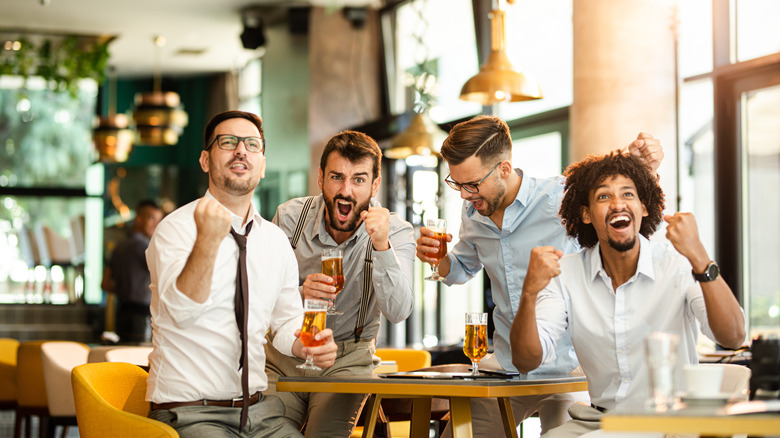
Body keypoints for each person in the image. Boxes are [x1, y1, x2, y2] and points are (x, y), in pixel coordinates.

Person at [415, 115, 664, 437]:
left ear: (504, 169)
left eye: (472, 184)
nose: (464, 195)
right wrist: (439, 260)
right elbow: (462, 268)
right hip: (506, 367)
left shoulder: (559, 197)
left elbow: (619, 211)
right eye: (457, 184)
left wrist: (643, 167)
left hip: (569, 367)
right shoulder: (474, 211)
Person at [510, 150, 745, 438]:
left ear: (643, 208)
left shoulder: (679, 265)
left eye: (628, 194)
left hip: (673, 421)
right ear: (586, 214)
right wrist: (529, 293)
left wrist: (700, 258)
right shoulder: (566, 274)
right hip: (602, 421)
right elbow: (526, 360)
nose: (618, 203)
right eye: (603, 196)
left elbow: (733, 337)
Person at [145, 110, 338, 438]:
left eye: (252, 144)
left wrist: (307, 345)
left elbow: (285, 323)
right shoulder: (175, 230)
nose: (241, 151)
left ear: (262, 165)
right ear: (205, 160)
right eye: (228, 142)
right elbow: (180, 312)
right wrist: (207, 240)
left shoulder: (275, 241)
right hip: (189, 412)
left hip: (258, 413)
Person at [264, 130, 415, 437]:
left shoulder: (396, 231)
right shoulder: (290, 218)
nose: (346, 190)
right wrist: (299, 293)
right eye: (337, 177)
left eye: (359, 179)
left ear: (374, 185)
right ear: (321, 178)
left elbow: (399, 311)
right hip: (284, 357)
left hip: (348, 360)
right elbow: (260, 295)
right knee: (266, 433)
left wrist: (382, 246)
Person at [101, 199, 163, 343]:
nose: (156, 225)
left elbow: (105, 284)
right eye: (152, 218)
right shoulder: (145, 247)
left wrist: (126, 290)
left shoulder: (119, 246)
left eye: (159, 220)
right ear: (139, 218)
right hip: (141, 314)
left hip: (122, 311)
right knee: (138, 353)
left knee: (124, 352)